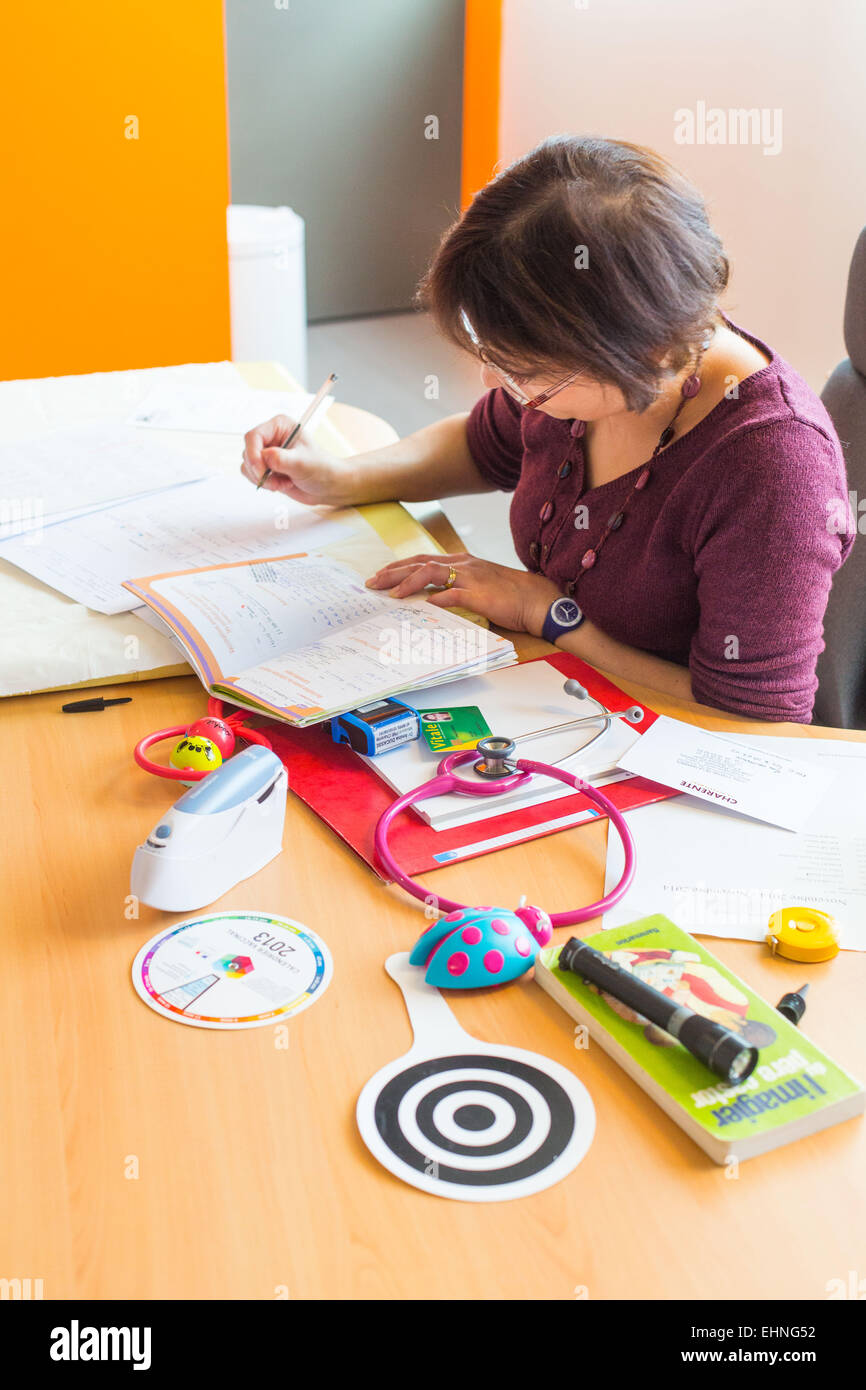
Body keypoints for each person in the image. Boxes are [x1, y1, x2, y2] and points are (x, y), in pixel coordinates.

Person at [241, 136, 854, 723]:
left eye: (526, 373)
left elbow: (753, 716)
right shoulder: (594, 365)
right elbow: (484, 446)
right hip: (550, 688)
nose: (492, 381)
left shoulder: (773, 469)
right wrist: (339, 477)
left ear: (643, 355)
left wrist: (546, 613)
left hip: (663, 748)